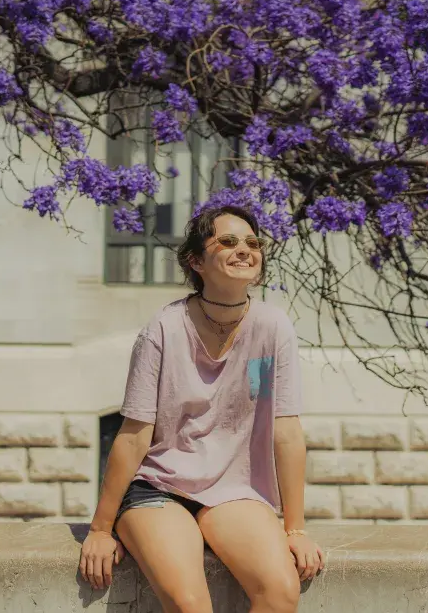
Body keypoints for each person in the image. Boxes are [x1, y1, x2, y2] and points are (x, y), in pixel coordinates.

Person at [79, 205, 324, 613]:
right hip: (159, 488)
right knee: (190, 604)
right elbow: (135, 432)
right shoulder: (164, 328)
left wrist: (294, 528)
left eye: (253, 242)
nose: (244, 250)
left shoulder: (272, 328)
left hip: (235, 491)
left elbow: (286, 429)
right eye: (227, 241)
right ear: (196, 260)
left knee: (280, 592)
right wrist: (101, 528)